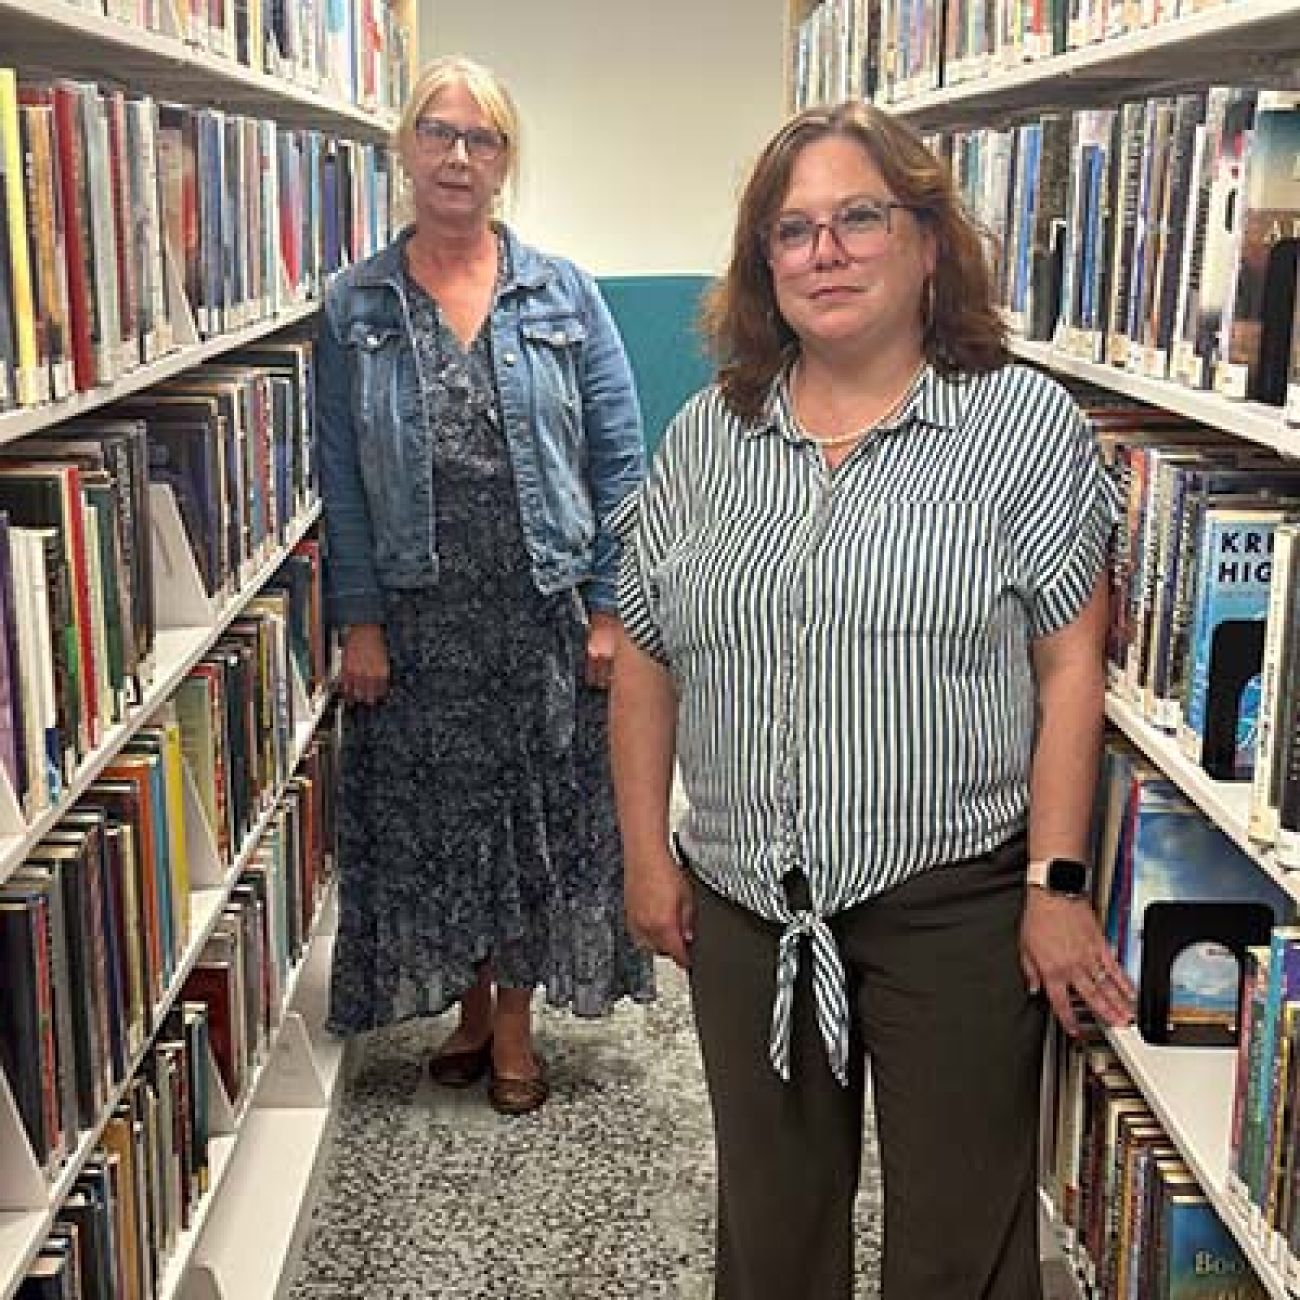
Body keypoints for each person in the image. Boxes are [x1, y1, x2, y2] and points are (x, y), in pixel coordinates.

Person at [608, 100, 1136, 1298]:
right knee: (771, 1232)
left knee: (960, 1238)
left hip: (949, 910)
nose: (824, 251)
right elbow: (644, 655)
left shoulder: (1019, 428)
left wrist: (1054, 885)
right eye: (791, 231)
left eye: (858, 218)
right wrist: (647, 856)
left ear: (928, 242)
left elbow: (1068, 668)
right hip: (748, 908)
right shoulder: (706, 436)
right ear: (763, 265)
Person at [317, 54, 653, 1117]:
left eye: (483, 138)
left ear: (506, 160)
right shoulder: (353, 303)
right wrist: (359, 620)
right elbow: (341, 480)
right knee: (439, 821)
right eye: (440, 132)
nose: (459, 156)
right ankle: (467, 1008)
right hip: (418, 622)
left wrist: (609, 605)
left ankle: (514, 1023)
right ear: (405, 146)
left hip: (538, 610)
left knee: (528, 818)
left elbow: (620, 457)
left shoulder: (565, 291)